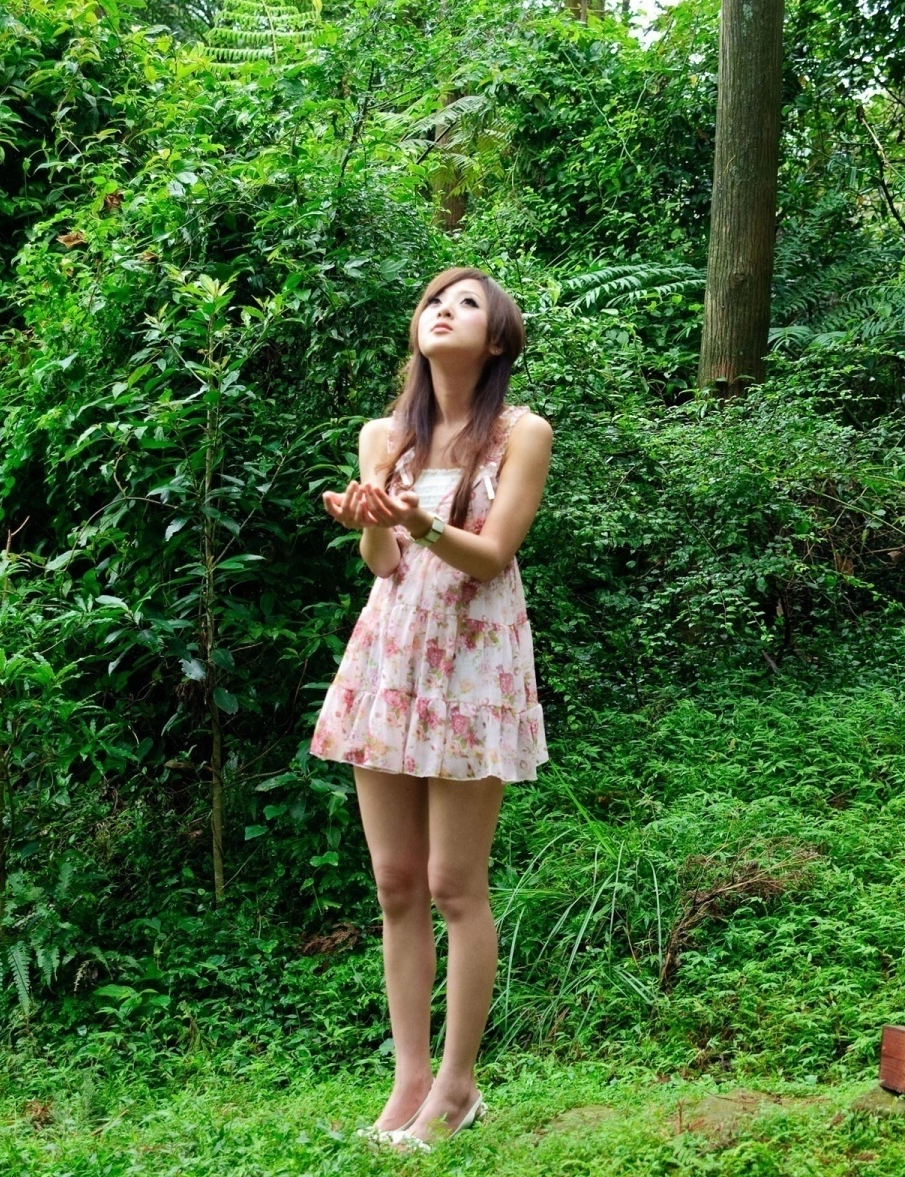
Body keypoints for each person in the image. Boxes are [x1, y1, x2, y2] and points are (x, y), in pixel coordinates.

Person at [310, 266, 554, 1151]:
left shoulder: (522, 433)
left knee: (455, 884)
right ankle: (408, 1081)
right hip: (391, 658)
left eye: (467, 303)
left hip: (475, 663)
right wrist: (372, 517)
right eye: (433, 301)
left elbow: (492, 556)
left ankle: (457, 1087)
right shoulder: (384, 435)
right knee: (396, 883)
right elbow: (382, 564)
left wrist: (417, 522)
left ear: (497, 340)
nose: (443, 310)